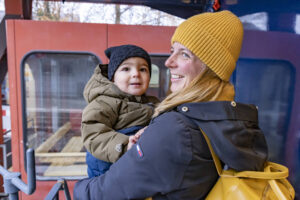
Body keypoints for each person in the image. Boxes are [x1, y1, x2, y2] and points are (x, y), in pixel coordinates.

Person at [74, 10, 268, 199]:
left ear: (211, 69)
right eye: (171, 51)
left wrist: (77, 188)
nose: (168, 62)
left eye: (184, 54)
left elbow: (104, 192)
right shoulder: (230, 121)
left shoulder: (176, 129)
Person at [82, 44, 159, 177]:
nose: (136, 74)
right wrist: (124, 144)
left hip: (138, 168)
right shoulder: (104, 102)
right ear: (112, 78)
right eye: (126, 69)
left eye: (143, 69)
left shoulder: (153, 103)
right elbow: (94, 135)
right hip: (107, 174)